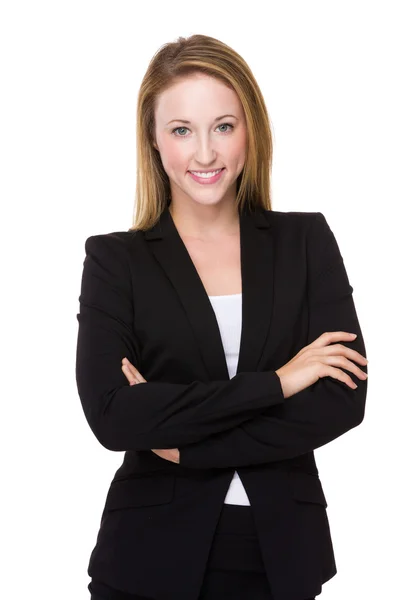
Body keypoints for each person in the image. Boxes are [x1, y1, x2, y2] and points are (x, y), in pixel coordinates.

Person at [76, 34, 368, 600]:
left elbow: (342, 399)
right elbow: (114, 416)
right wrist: (281, 383)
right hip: (148, 555)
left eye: (224, 126)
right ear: (154, 141)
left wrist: (187, 438)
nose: (205, 154)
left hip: (280, 552)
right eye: (182, 130)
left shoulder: (305, 241)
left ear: (250, 130)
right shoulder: (116, 260)